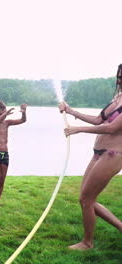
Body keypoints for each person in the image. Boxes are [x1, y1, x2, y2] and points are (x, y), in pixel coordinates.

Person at [59, 64, 122, 250]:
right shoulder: (117, 97)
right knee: (85, 199)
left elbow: (112, 128)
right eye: (119, 76)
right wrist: (71, 111)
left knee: (87, 199)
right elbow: (98, 120)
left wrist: (78, 130)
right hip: (98, 153)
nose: (120, 80)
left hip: (113, 155)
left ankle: (87, 243)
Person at [0, 101, 27, 211]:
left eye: (4, 113)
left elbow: (23, 120)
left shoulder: (7, 123)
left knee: (2, 180)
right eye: (0, 114)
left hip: (5, 154)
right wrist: (4, 115)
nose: (3, 117)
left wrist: (24, 112)